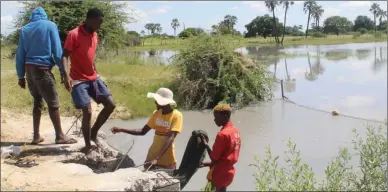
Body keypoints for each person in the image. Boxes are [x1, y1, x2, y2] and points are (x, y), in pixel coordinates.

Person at [15, 7, 77, 145]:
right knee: (53, 103)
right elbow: (57, 50)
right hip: (42, 69)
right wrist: (63, 71)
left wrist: (20, 76)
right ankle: (60, 136)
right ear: (44, 16)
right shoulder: (50, 26)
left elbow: (20, 55)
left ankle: (36, 136)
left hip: (29, 70)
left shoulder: (25, 29)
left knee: (37, 101)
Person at [61, 8, 116, 153]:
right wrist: (66, 76)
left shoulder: (95, 35)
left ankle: (93, 133)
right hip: (78, 79)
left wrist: (97, 74)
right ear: (90, 20)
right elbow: (65, 56)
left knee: (110, 105)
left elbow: (90, 57)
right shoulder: (74, 34)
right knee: (87, 111)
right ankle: (87, 145)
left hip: (93, 77)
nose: (101, 24)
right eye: (99, 21)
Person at [111, 87, 183, 170]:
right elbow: (142, 131)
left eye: (157, 101)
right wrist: (121, 129)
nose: (155, 103)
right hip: (152, 155)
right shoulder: (156, 113)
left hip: (167, 158)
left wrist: (157, 158)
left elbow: (170, 138)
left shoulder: (177, 116)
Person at [199, 104, 241, 192]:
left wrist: (206, 145)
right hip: (229, 174)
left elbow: (214, 159)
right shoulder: (235, 131)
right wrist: (207, 164)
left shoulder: (222, 134)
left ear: (225, 116)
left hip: (219, 174)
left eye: (216, 117)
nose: (214, 120)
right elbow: (226, 156)